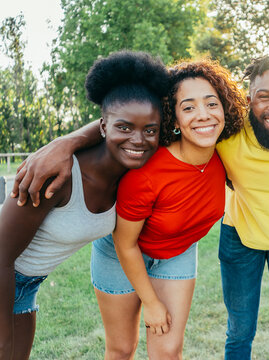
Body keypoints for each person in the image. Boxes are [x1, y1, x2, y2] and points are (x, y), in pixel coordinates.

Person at [10, 54, 269, 359]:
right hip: (183, 247)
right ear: (246, 99)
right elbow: (126, 119)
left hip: (257, 242)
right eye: (263, 96)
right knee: (162, 344)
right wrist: (63, 142)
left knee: (265, 337)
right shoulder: (189, 147)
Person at [0, 50, 168, 360]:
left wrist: (71, 138)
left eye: (150, 131)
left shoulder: (133, 174)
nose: (138, 140)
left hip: (26, 285)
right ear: (104, 127)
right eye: (125, 128)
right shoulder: (58, 174)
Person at [90, 59, 246, 359]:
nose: (203, 115)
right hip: (121, 253)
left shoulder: (227, 152)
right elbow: (126, 243)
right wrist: (151, 303)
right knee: (122, 349)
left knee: (168, 350)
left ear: (224, 109)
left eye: (211, 104)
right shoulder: (146, 174)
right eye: (188, 107)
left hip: (178, 252)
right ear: (173, 120)